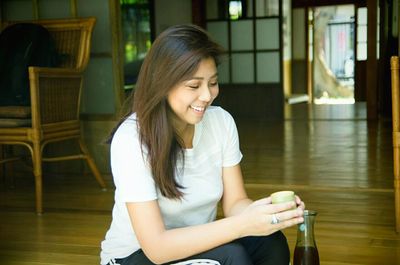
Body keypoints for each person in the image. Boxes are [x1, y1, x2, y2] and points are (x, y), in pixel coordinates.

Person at [100, 24, 305, 265]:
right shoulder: (132, 138)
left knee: (271, 243)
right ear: (162, 84)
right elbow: (157, 247)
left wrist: (264, 212)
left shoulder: (221, 122)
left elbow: (235, 203)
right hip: (136, 256)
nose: (207, 95)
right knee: (231, 257)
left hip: (194, 244)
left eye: (213, 83)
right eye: (194, 86)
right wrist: (242, 225)